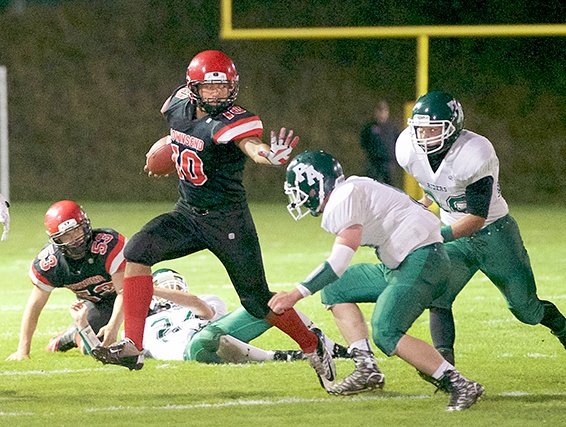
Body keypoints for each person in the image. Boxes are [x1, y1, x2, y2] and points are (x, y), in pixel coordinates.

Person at [92, 50, 336, 388]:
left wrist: (269, 155)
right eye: (209, 88)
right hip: (188, 214)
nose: (218, 94)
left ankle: (313, 344)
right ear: (192, 87)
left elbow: (252, 146)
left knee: (256, 300)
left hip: (227, 222)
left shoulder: (234, 121)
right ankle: (134, 345)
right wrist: (166, 152)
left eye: (224, 88)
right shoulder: (177, 104)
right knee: (136, 251)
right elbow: (178, 136)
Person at [268, 150, 484, 411]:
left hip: (422, 259)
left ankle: (460, 384)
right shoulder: (352, 187)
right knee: (336, 288)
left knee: (386, 330)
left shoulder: (343, 197)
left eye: (300, 189)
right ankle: (366, 368)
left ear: (315, 183)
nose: (300, 198)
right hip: (403, 261)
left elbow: (338, 262)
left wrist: (295, 294)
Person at [395, 91, 566, 373]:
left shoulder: (474, 153)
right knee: (438, 294)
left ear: (452, 128)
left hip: (493, 233)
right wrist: (419, 208)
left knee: (527, 310)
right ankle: (446, 372)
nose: (424, 136)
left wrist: (436, 235)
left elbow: (475, 218)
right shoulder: (408, 149)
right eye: (420, 129)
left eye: (432, 130)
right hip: (453, 233)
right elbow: (434, 187)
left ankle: (564, 330)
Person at [74, 268, 310, 364]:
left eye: (174, 286)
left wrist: (149, 287)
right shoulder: (139, 326)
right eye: (166, 287)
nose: (173, 291)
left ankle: (322, 345)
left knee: (271, 302)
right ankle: (274, 357)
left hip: (217, 337)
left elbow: (201, 308)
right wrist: (83, 325)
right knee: (202, 340)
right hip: (192, 350)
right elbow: (104, 353)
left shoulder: (205, 299)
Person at [6, 200, 125, 361]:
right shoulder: (51, 262)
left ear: (85, 225)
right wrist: (23, 351)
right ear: (56, 239)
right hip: (98, 305)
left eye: (76, 230)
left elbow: (125, 293)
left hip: (129, 297)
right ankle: (73, 336)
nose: (74, 238)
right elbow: (34, 307)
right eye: (65, 235)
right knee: (94, 349)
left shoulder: (107, 245)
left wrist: (113, 325)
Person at [359, 100, 401, 186]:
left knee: (389, 186)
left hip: (388, 162)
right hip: (374, 162)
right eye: (379, 111)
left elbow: (398, 141)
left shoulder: (392, 127)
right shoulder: (370, 126)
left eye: (384, 111)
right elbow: (364, 141)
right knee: (371, 184)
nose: (382, 114)